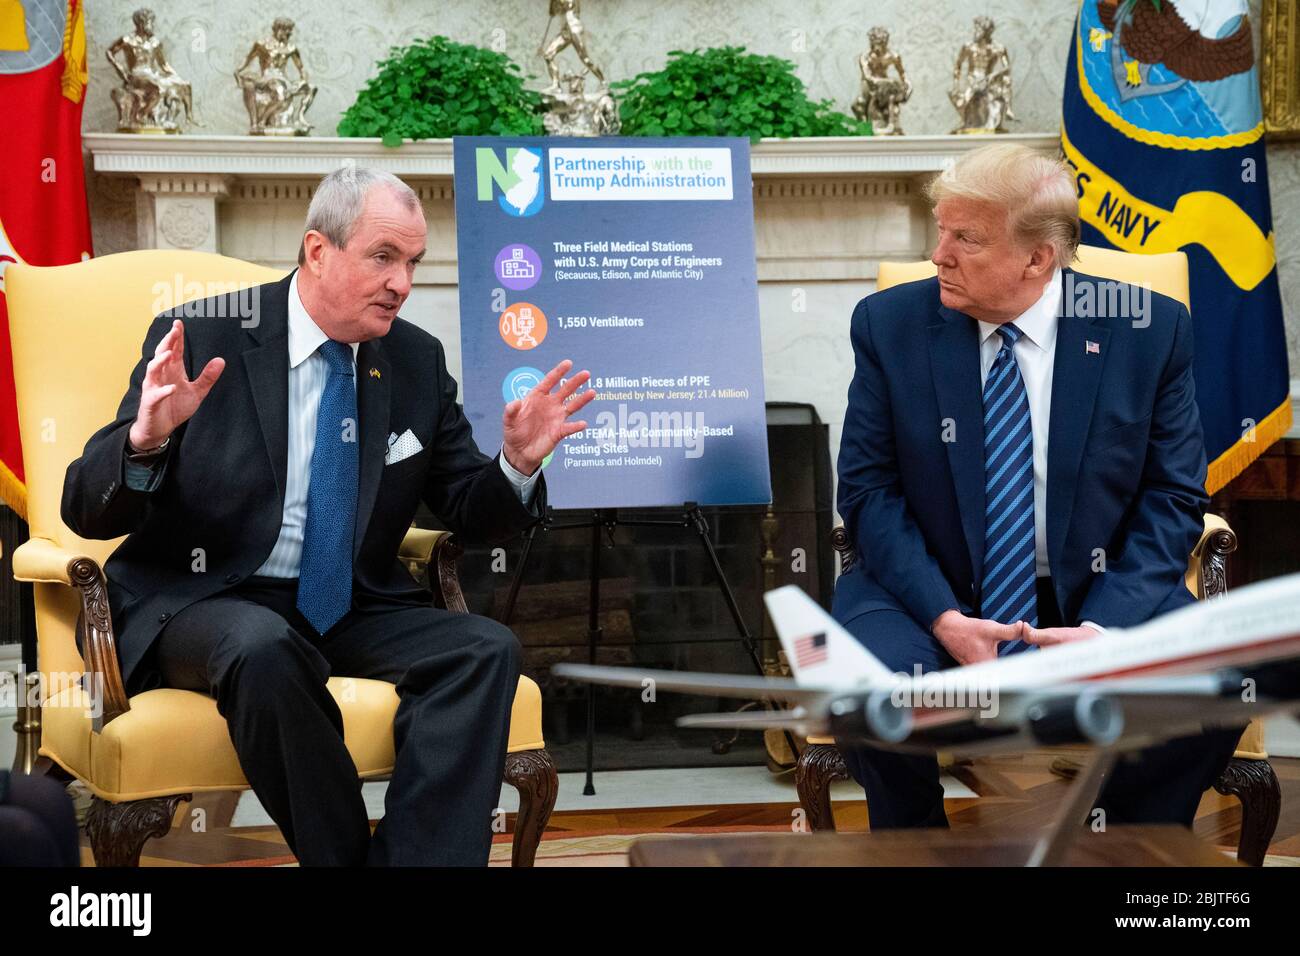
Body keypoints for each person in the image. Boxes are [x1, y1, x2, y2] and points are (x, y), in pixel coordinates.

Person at [61, 166, 594, 865]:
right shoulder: (205, 335)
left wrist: (518, 464)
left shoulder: (414, 360)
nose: (402, 283)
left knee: (485, 649)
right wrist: (146, 440)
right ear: (318, 251)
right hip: (206, 595)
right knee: (262, 647)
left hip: (346, 600)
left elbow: (469, 507)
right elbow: (86, 509)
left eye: (412, 263)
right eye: (383, 257)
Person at [833, 143, 1242, 830]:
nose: (939, 254)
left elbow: (1173, 496)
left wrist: (1105, 630)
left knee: (1216, 690)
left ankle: (1115, 844)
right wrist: (943, 618)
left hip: (1093, 590)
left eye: (966, 238)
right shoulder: (891, 325)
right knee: (867, 687)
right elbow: (869, 490)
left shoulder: (1149, 331)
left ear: (1038, 258)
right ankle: (917, 851)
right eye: (941, 229)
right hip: (930, 589)